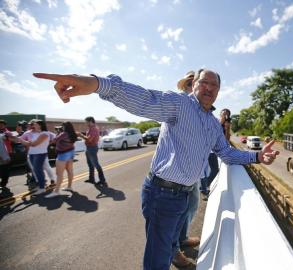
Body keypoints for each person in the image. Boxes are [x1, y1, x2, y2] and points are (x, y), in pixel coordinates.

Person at [33, 69, 279, 270]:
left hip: (183, 193)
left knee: (171, 240)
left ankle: (176, 253)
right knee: (157, 261)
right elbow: (145, 100)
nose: (209, 88)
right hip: (163, 194)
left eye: (214, 86)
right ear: (194, 85)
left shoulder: (213, 124)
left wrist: (257, 155)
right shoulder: (181, 104)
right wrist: (98, 84)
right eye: (204, 82)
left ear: (218, 92)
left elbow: (226, 152)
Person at [171, 71, 200, 268]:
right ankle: (174, 252)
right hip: (176, 175)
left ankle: (182, 238)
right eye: (190, 83)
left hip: (192, 173)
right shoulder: (179, 104)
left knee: (191, 207)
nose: (193, 87)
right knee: (175, 214)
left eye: (196, 83)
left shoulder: (200, 110)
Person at [17, 119, 50, 195]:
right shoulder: (35, 133)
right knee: (36, 171)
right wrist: (24, 141)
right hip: (32, 154)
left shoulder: (44, 133)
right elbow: (30, 143)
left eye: (34, 124)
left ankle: (42, 188)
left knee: (38, 171)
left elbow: (33, 144)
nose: (33, 125)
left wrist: (21, 140)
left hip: (39, 154)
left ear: (40, 125)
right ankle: (41, 186)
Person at [46, 122, 77, 198]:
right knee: (70, 171)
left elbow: (54, 140)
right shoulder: (73, 133)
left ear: (64, 127)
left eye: (62, 127)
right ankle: (69, 186)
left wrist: (58, 133)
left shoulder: (63, 134)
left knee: (59, 173)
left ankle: (56, 191)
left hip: (63, 154)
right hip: (71, 152)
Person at [77, 116, 107, 186]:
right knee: (90, 164)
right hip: (89, 148)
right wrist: (82, 135)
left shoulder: (93, 129)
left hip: (92, 148)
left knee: (96, 164)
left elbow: (89, 139)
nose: (85, 123)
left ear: (90, 121)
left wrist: (80, 135)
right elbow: (88, 137)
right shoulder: (90, 129)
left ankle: (102, 180)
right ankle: (91, 179)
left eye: (86, 122)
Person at [0, 120, 12, 189]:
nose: (0, 126)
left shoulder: (7, 132)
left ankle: (4, 183)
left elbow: (10, 137)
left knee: (5, 169)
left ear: (5, 125)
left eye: (2, 124)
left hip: (7, 153)